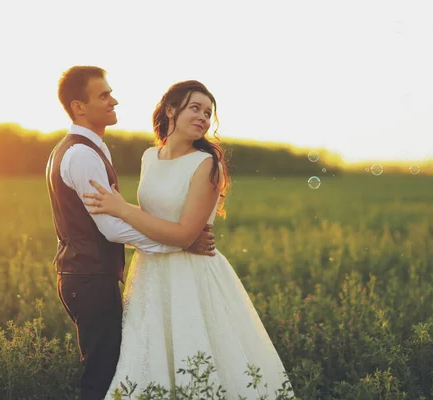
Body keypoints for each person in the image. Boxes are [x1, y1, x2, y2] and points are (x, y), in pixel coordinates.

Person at [83, 80, 295, 399]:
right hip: (150, 274)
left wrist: (123, 209)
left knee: (195, 355)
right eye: (195, 108)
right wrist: (126, 213)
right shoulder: (149, 157)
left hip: (191, 275)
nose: (203, 118)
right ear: (171, 109)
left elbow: (185, 234)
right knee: (149, 355)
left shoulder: (207, 164)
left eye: (208, 113)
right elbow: (151, 216)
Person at [45, 66, 217, 400]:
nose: (114, 100)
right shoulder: (81, 153)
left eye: (207, 112)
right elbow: (111, 227)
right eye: (104, 95)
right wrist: (180, 243)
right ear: (79, 106)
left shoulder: (82, 148)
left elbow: (121, 215)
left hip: (93, 274)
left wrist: (172, 238)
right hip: (89, 276)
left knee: (121, 364)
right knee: (103, 372)